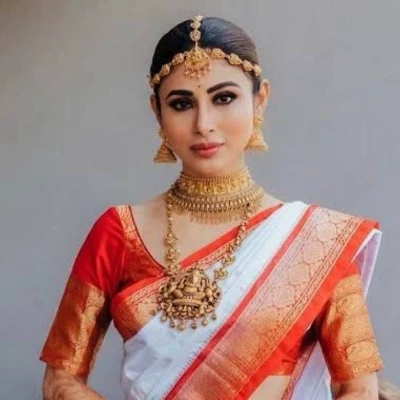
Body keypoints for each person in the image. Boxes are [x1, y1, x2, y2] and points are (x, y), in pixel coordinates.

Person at [40, 15, 384, 400]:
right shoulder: (118, 232)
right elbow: (60, 383)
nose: (203, 124)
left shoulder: (319, 241)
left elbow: (359, 390)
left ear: (260, 100)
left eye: (224, 98)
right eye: (182, 104)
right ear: (157, 112)